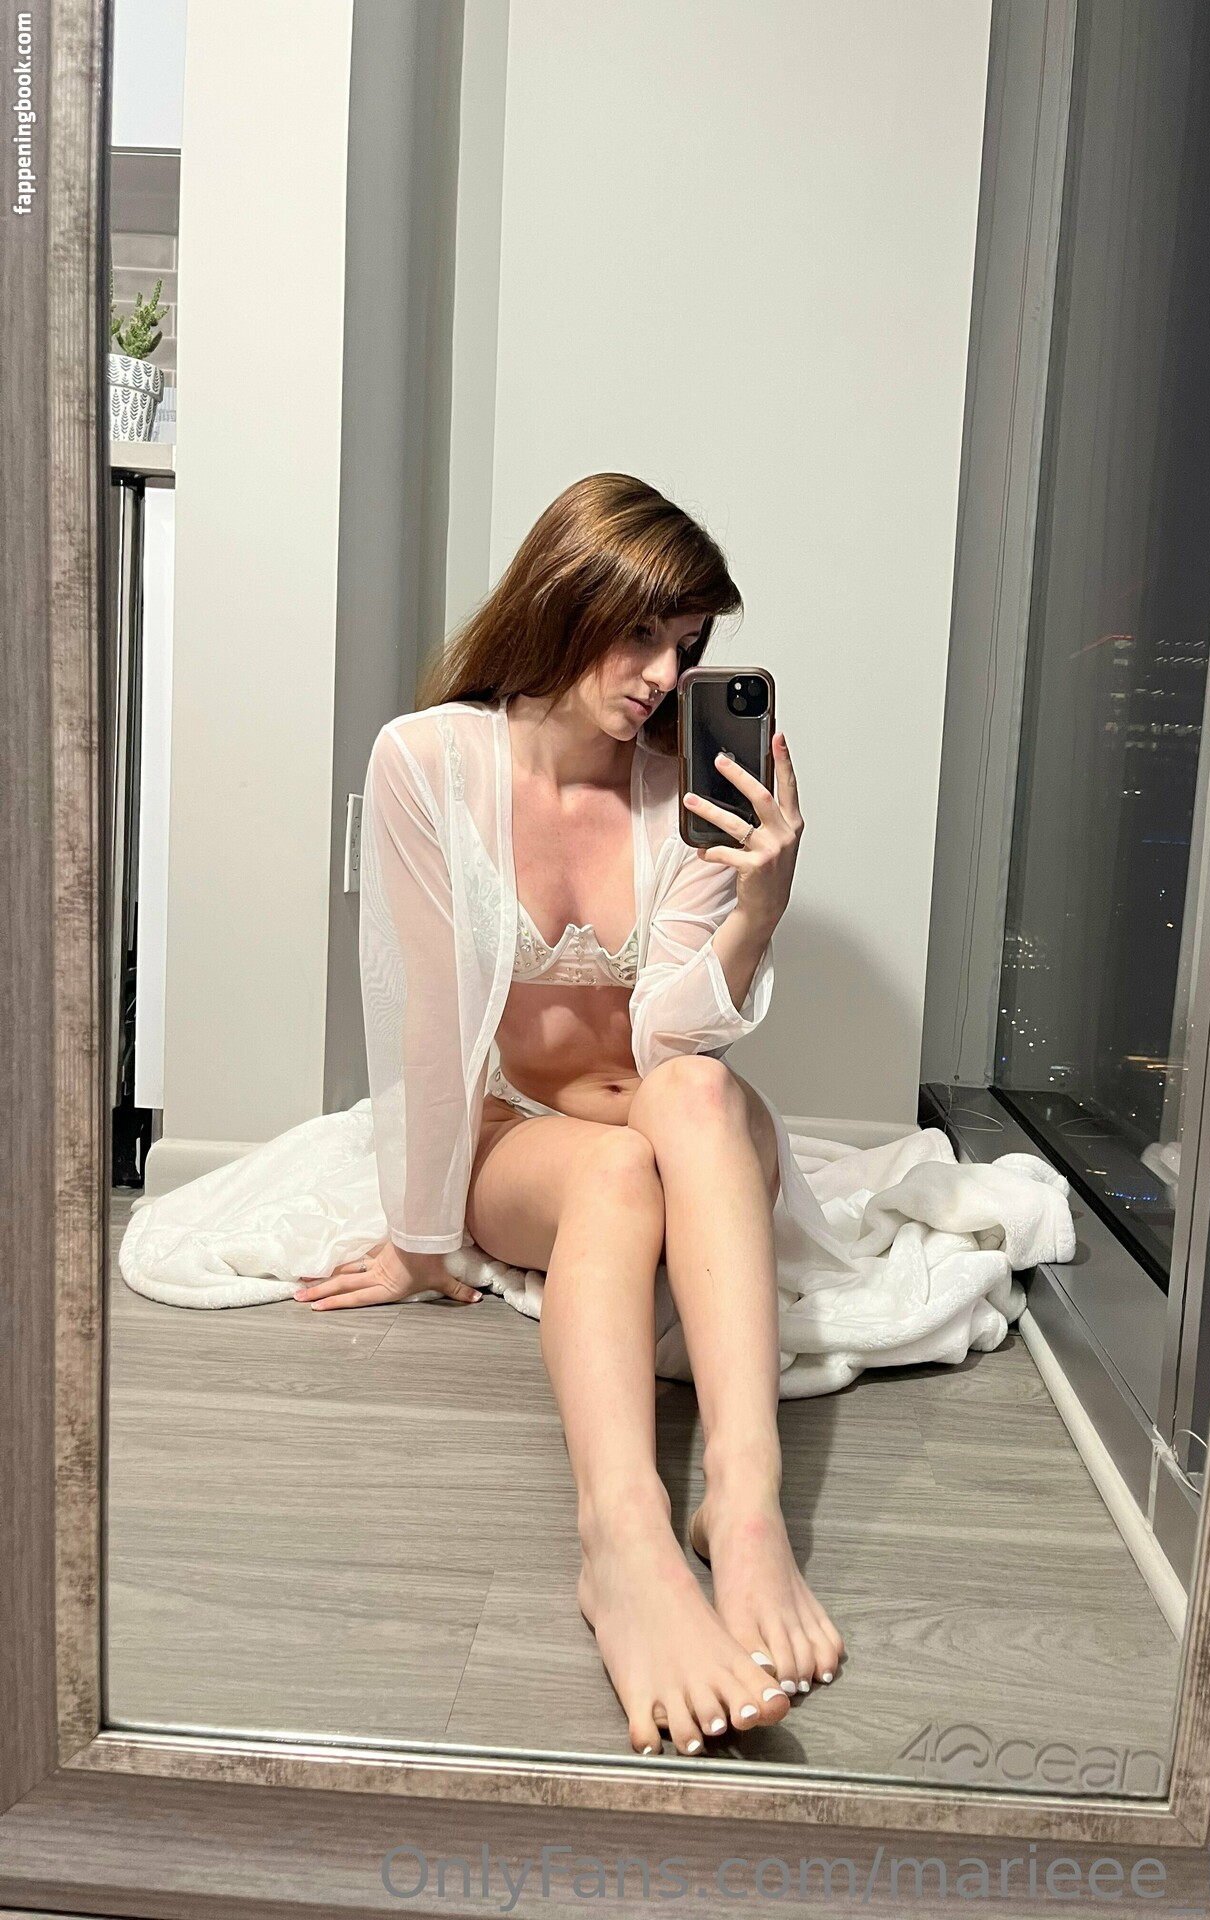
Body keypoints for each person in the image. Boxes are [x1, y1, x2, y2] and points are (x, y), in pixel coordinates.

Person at [294, 473, 845, 1758]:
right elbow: (429, 1021)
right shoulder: (427, 761)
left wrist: (759, 906)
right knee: (608, 1175)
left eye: (688, 648)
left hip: (676, 1115)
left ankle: (745, 1507)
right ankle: (624, 1540)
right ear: (564, 594)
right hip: (527, 1137)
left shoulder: (683, 792)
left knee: (694, 1090)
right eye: (641, 633)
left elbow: (673, 1037)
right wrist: (420, 1240)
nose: (663, 677)